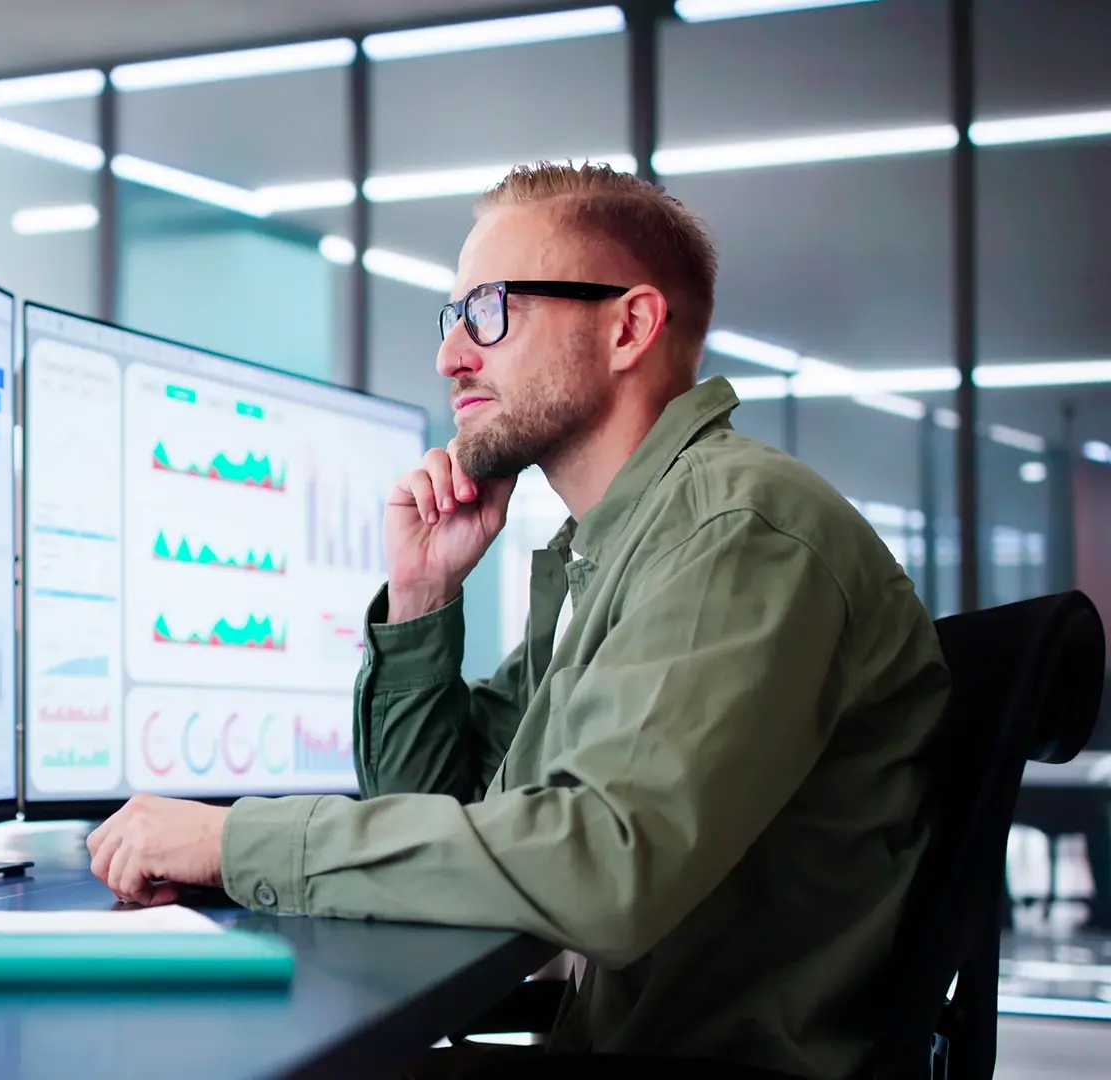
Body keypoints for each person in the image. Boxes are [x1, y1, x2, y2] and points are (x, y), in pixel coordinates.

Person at [85, 162, 949, 1078]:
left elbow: (605, 866)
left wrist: (235, 842)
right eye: (453, 317)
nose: (452, 356)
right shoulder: (611, 553)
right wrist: (423, 596)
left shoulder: (736, 532)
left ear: (629, 327)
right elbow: (442, 821)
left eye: (491, 311)